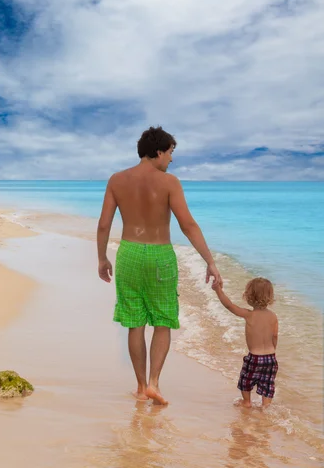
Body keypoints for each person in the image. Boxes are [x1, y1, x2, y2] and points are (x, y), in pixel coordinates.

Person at [96, 126, 222, 405]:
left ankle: (140, 387)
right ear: (158, 152)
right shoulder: (169, 183)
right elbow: (187, 225)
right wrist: (210, 261)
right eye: (170, 153)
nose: (171, 160)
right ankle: (154, 383)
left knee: (134, 322)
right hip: (160, 256)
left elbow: (104, 223)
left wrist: (102, 257)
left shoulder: (117, 180)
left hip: (128, 253)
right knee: (163, 321)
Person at [211, 277, 279, 408]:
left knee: (246, 380)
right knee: (268, 384)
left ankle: (247, 402)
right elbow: (275, 335)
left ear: (249, 296)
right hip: (271, 358)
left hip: (255, 357)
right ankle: (265, 406)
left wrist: (218, 290)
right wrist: (273, 348)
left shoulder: (249, 315)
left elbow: (229, 305)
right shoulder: (273, 316)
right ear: (270, 296)